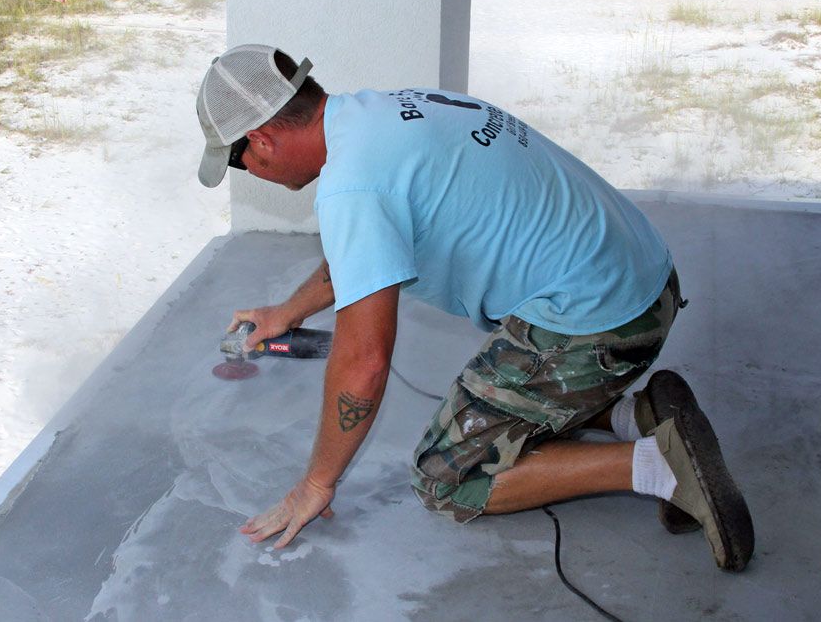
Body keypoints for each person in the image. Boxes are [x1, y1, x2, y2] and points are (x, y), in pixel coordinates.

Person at [195, 44, 754, 571]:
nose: (250, 173)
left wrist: (316, 483)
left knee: (448, 478)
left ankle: (662, 464)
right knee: (485, 396)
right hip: (643, 277)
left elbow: (364, 364)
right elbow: (362, 256)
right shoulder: (382, 114)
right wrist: (290, 311)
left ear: (261, 139)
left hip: (602, 321)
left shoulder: (353, 184)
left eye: (238, 162)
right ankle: (634, 414)